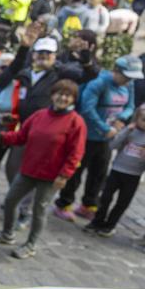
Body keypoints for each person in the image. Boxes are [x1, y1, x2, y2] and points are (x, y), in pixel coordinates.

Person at [0, 80, 87, 259]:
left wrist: (64, 176)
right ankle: (7, 234)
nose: (62, 98)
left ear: (73, 99)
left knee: (39, 211)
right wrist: (0, 136)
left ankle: (30, 245)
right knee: (10, 200)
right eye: (59, 93)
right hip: (29, 169)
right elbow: (21, 136)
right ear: (53, 95)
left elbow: (76, 153)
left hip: (51, 176)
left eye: (67, 95)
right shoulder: (40, 115)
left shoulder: (76, 122)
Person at [55, 56, 141, 221]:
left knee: (99, 172)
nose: (129, 80)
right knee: (76, 170)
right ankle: (64, 203)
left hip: (107, 138)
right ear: (116, 71)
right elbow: (87, 108)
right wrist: (104, 127)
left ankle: (88, 204)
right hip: (87, 135)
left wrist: (120, 119)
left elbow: (130, 106)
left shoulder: (128, 84)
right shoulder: (99, 83)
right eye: (126, 76)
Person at [86, 104, 145, 236]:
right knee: (105, 197)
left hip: (133, 176)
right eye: (143, 119)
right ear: (137, 118)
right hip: (117, 171)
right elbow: (112, 145)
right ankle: (97, 221)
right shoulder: (130, 131)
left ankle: (110, 225)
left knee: (122, 202)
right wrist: (125, 132)